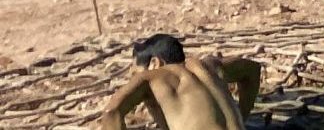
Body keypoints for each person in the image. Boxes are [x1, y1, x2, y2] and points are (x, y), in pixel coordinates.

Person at [94, 34, 259, 130]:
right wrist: (242, 116)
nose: (133, 79)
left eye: (134, 73)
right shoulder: (209, 66)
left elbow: (111, 113)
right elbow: (253, 69)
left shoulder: (151, 78)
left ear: (155, 63)